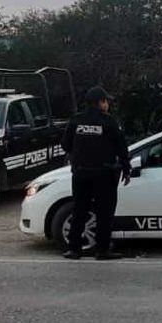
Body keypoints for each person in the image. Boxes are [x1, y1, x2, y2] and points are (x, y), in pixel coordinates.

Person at [61, 86, 131, 260]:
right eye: (106, 101)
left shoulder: (76, 120)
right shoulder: (109, 122)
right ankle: (102, 250)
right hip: (104, 174)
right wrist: (126, 168)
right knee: (104, 212)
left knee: (79, 210)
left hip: (80, 173)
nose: (107, 105)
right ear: (101, 102)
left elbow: (65, 145)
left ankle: (74, 249)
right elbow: (122, 148)